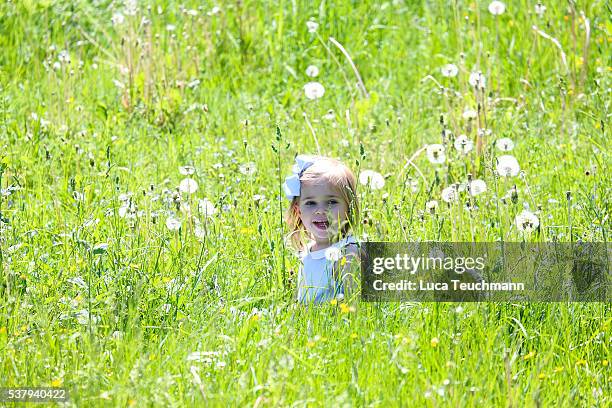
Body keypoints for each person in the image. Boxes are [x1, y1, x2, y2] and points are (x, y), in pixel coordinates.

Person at [283, 154, 361, 305]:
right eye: (311, 203)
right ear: (298, 211)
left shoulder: (348, 252)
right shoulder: (307, 252)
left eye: (331, 202)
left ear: (349, 207)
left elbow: (354, 305)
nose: (321, 210)